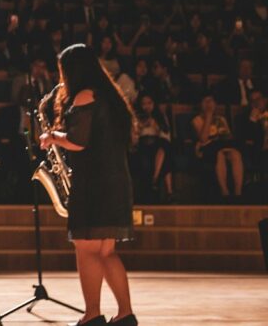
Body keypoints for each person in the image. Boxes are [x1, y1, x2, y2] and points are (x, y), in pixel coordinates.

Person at [39, 44, 137, 326]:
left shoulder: (84, 96)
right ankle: (125, 314)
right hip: (113, 182)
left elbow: (78, 141)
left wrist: (53, 137)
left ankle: (92, 315)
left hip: (95, 185)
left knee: (87, 250)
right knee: (106, 252)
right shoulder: (108, 95)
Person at [191, 93, 244, 200]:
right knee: (218, 155)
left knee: (235, 154)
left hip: (222, 145)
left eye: (211, 101)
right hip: (206, 149)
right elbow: (203, 139)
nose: (208, 104)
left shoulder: (221, 119)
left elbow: (228, 136)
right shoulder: (196, 120)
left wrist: (226, 136)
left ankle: (238, 193)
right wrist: (209, 116)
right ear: (200, 105)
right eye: (205, 101)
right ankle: (225, 192)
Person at [130, 95, 173, 202]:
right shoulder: (136, 117)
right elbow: (133, 139)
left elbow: (166, 136)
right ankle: (168, 190)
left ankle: (155, 178)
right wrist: (140, 127)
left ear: (154, 104)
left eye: (149, 103)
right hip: (143, 144)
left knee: (164, 148)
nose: (147, 106)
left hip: (158, 143)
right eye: (144, 104)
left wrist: (156, 126)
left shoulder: (160, 116)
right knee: (160, 156)